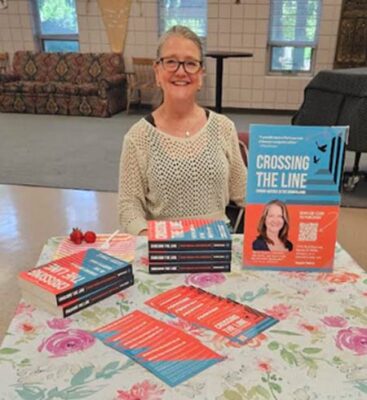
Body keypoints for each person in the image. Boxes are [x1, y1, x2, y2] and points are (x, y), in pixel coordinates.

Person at [118, 25, 247, 235]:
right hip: (165, 250)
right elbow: (128, 207)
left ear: (201, 75)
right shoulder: (138, 137)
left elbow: (243, 191)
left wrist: (295, 209)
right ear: (157, 71)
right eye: (171, 62)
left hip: (218, 248)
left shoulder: (224, 127)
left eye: (190, 63)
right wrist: (148, 238)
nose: (181, 71)